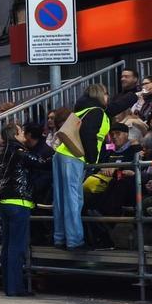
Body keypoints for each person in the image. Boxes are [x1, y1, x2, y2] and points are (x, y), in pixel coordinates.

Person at [53, 84, 110, 251]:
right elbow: (88, 135)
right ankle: (75, 240)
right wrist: (92, 159)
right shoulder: (97, 112)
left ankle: (60, 238)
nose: (108, 97)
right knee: (73, 199)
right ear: (100, 95)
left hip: (61, 153)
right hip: (74, 157)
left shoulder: (80, 110)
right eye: (106, 93)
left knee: (60, 199)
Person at [0, 125, 42, 297]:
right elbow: (40, 162)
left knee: (7, 246)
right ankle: (15, 287)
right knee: (17, 247)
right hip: (19, 202)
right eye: (21, 131)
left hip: (5, 202)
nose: (25, 134)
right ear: (15, 135)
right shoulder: (19, 150)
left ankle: (9, 285)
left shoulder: (4, 151)